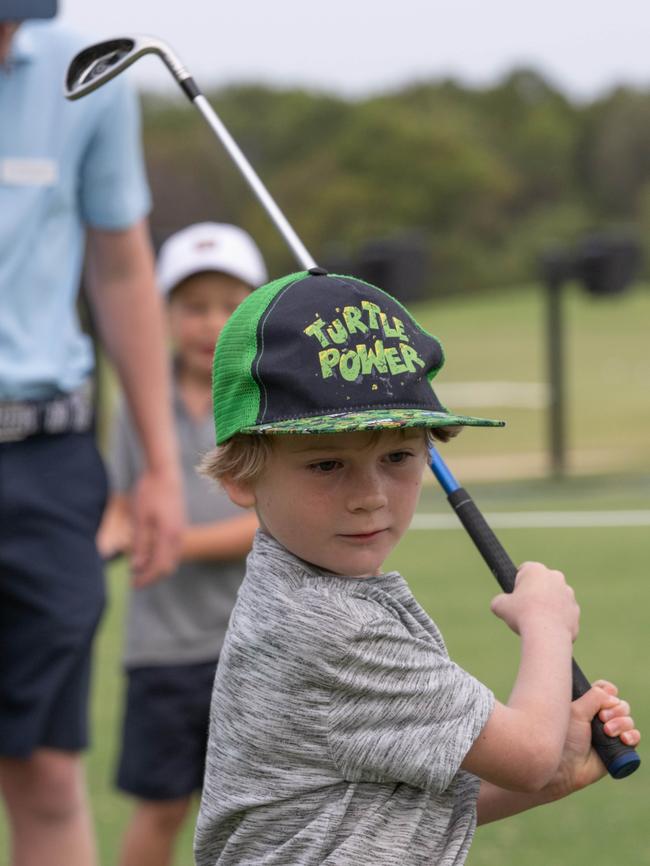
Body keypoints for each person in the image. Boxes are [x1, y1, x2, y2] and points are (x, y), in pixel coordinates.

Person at [193, 268, 640, 866]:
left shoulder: (311, 590)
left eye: (399, 456)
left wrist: (553, 773)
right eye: (327, 464)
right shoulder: (330, 627)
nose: (370, 494)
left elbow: (377, 808)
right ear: (238, 477)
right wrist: (546, 625)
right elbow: (528, 752)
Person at [0, 4, 184, 866]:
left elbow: (119, 265)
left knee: (44, 770)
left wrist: (158, 467)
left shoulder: (90, 78)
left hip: (45, 462)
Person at [97, 222, 266, 866]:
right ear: (162, 315)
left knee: (255, 809)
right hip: (161, 652)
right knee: (161, 805)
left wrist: (173, 543)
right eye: (193, 307)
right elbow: (119, 505)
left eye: (230, 306)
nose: (210, 323)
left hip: (258, 645)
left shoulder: (265, 401)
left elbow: (268, 525)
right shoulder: (138, 406)